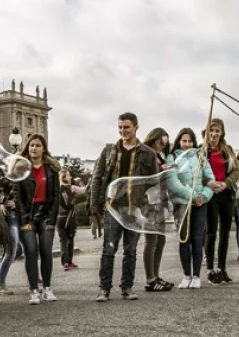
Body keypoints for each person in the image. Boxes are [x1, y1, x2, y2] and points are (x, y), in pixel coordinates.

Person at [88, 112, 159, 302]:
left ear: (136, 127)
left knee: (130, 250)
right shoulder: (109, 151)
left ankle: (127, 287)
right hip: (112, 207)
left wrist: (148, 206)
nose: (122, 131)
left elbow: (153, 183)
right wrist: (94, 204)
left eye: (126, 127)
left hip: (134, 208)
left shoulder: (148, 153)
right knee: (108, 249)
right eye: (120, 127)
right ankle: (104, 288)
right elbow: (97, 177)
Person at [165, 128, 216, 289]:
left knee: (197, 239)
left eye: (190, 141)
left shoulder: (200, 156)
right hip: (182, 204)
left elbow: (210, 179)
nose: (187, 144)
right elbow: (173, 183)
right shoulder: (171, 157)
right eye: (184, 141)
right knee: (184, 240)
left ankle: (196, 276)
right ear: (179, 141)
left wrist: (205, 196)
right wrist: (194, 196)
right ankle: (186, 275)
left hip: (200, 204)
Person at [14, 134, 61, 305]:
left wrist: (52, 220)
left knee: (46, 251)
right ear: (28, 148)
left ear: (43, 149)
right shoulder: (21, 168)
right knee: (31, 252)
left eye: (38, 145)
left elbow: (56, 197)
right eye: (32, 145)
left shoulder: (52, 169)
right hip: (28, 216)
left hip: (46, 215)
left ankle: (47, 288)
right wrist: (24, 220)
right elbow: (17, 196)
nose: (34, 148)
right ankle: (34, 289)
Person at [200, 118, 239, 285]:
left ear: (222, 132)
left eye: (218, 130)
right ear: (207, 132)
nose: (214, 134)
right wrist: (210, 183)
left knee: (225, 233)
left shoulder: (228, 150)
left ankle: (222, 269)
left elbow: (236, 171)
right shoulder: (201, 151)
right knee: (210, 233)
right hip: (210, 194)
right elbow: (196, 174)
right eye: (212, 130)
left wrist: (226, 183)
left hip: (226, 193)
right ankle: (210, 270)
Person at [141, 128, 174, 292]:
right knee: (152, 240)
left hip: (159, 200)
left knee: (161, 240)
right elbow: (145, 177)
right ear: (154, 139)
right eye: (161, 142)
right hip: (149, 202)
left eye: (165, 143)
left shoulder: (158, 155)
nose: (162, 146)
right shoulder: (145, 154)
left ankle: (156, 275)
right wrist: (164, 170)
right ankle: (150, 279)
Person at [56, 172, 86, 271]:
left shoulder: (56, 189)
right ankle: (69, 261)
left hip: (59, 217)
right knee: (70, 239)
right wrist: (82, 183)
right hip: (70, 217)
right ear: (64, 178)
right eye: (68, 175)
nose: (71, 177)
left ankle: (65, 262)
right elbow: (84, 190)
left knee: (62, 240)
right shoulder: (71, 187)